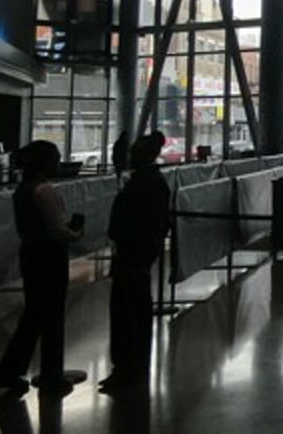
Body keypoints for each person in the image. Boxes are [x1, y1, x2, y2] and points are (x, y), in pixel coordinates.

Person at [0, 140, 84, 397]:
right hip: (50, 257)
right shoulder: (45, 190)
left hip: (30, 255)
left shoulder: (23, 190)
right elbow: (57, 230)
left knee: (34, 314)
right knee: (52, 316)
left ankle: (9, 373)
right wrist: (76, 234)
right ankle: (52, 375)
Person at [99, 135, 171, 393]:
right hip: (138, 255)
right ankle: (131, 368)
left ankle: (128, 369)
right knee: (134, 313)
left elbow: (135, 221)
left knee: (127, 314)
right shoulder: (152, 182)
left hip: (133, 255)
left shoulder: (144, 184)